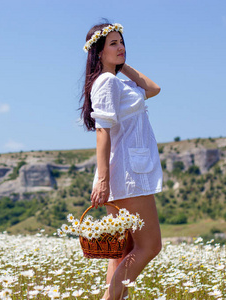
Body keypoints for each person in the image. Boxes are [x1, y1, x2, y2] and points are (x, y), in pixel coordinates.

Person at [79, 22, 163, 300]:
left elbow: (153, 88)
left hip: (129, 171)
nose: (121, 47)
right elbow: (102, 131)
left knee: (123, 249)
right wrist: (102, 180)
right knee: (150, 246)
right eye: (113, 44)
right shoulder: (106, 83)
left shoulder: (117, 81)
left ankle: (115, 297)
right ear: (98, 52)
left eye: (122, 42)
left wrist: (121, 64)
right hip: (128, 175)